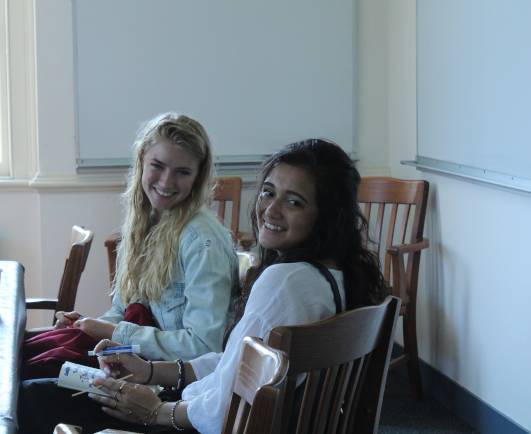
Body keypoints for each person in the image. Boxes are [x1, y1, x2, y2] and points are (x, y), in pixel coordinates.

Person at [72, 139, 389, 434]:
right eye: (268, 192)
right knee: (64, 387)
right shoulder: (339, 275)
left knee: (45, 396)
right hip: (213, 411)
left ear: (326, 216)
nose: (270, 209)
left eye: (294, 202)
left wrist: (156, 411)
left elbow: (226, 411)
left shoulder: (287, 282)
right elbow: (239, 364)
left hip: (206, 423)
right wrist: (152, 371)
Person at [19, 113, 239, 413]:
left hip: (169, 391)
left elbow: (204, 346)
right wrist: (89, 326)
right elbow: (123, 312)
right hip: (135, 367)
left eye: (182, 172)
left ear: (198, 177)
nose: (165, 182)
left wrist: (114, 333)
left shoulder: (202, 241)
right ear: (141, 164)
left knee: (31, 394)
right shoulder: (144, 223)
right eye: (157, 166)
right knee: (29, 365)